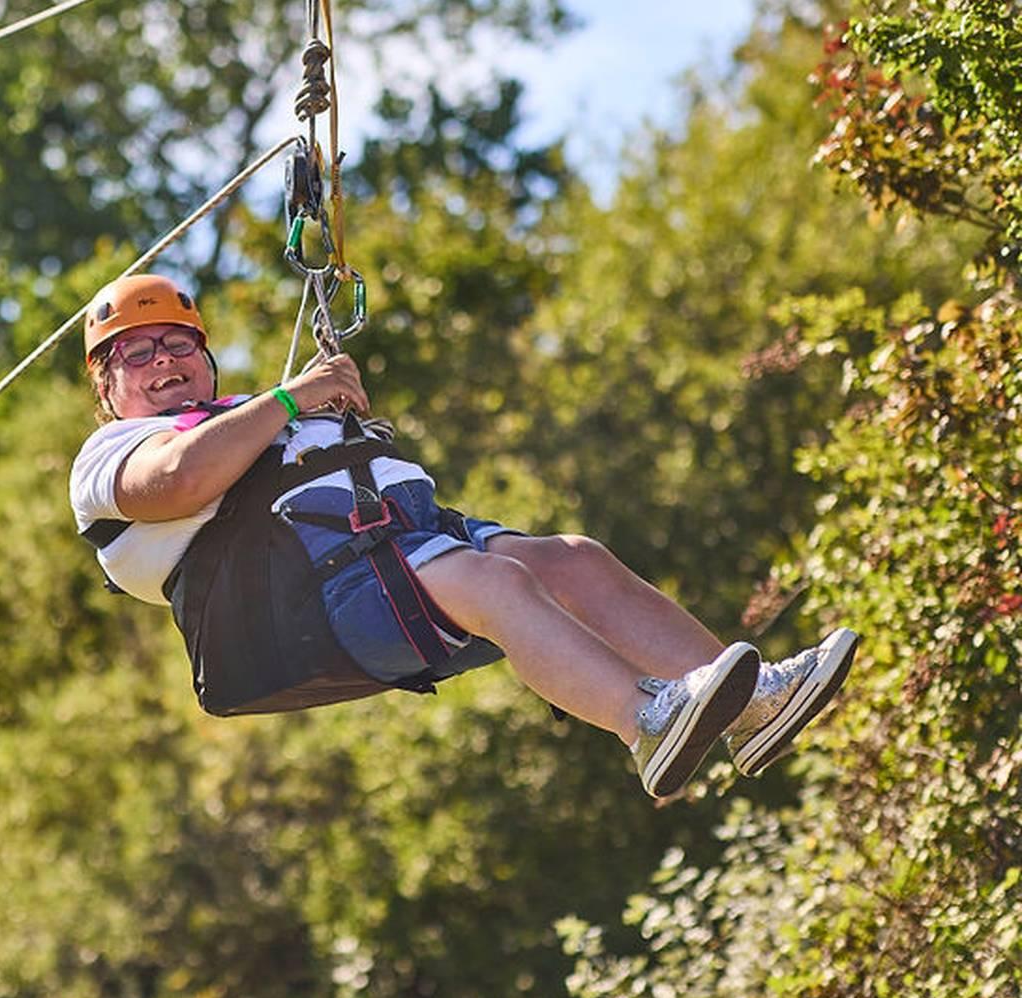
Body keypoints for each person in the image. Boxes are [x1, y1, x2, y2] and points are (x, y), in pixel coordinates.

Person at [68, 274, 858, 797]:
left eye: (178, 344)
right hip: (332, 597)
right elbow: (174, 484)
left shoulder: (247, 413)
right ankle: (644, 723)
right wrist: (291, 395)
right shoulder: (110, 455)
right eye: (135, 355)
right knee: (495, 585)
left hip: (410, 544)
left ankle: (752, 705)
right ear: (107, 389)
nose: (163, 360)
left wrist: (308, 405)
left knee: (574, 560)